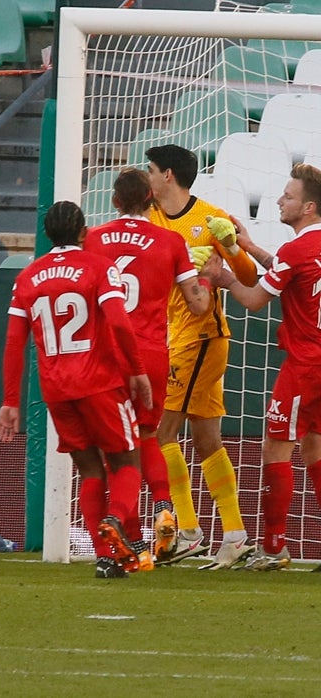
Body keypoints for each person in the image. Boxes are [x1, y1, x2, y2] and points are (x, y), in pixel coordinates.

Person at [0, 200, 150, 578]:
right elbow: (119, 322)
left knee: (89, 469)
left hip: (56, 390)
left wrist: (11, 400)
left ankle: (106, 558)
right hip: (100, 383)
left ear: (47, 234)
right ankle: (116, 520)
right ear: (84, 232)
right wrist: (137, 370)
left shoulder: (27, 277)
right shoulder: (99, 267)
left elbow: (14, 342)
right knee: (127, 461)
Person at [84, 168, 213, 569]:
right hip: (152, 355)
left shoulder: (93, 239)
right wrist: (209, 280)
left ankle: (135, 541)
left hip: (105, 356)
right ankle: (163, 506)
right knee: (149, 435)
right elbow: (197, 305)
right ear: (151, 201)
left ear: (114, 201)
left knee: (114, 452)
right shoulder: (171, 241)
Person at [146, 144, 260, 569]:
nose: (148, 177)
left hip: (201, 337)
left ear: (169, 175)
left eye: (151, 170)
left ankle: (188, 533)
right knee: (207, 438)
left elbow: (249, 276)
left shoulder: (210, 218)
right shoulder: (150, 218)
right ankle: (234, 535)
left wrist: (231, 247)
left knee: (161, 433)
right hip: (174, 336)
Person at [205, 163, 321, 571]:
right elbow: (289, 272)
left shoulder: (297, 251)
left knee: (276, 447)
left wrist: (223, 278)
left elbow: (254, 300)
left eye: (288, 196)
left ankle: (273, 548)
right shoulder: (304, 251)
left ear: (308, 207)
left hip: (305, 364)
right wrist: (249, 247)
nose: (279, 201)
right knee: (314, 446)